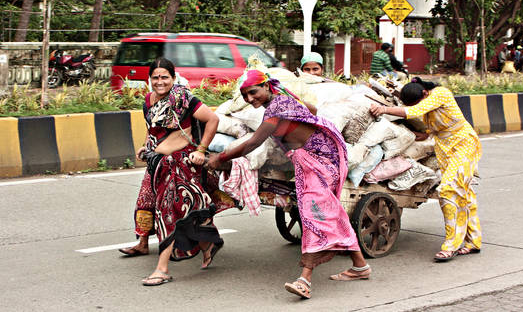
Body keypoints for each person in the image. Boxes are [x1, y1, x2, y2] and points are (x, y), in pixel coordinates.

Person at [206, 69, 371, 299]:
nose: (250, 99)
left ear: (266, 86)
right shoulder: (282, 101)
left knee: (313, 214)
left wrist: (220, 157)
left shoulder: (277, 107)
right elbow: (311, 110)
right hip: (311, 159)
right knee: (331, 211)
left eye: (253, 92)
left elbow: (254, 142)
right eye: (245, 96)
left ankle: (305, 279)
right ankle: (360, 266)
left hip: (319, 161)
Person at [129, 57, 223, 286]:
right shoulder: (149, 100)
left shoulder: (183, 98)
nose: (160, 82)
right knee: (151, 201)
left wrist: (201, 150)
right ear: (149, 79)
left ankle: (162, 269)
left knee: (169, 212)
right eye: (155, 77)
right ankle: (207, 243)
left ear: (173, 78)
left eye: (165, 77)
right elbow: (152, 129)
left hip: (181, 162)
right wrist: (146, 146)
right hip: (158, 162)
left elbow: (213, 119)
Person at [369, 77, 482, 262]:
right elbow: (436, 122)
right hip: (444, 148)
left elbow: (414, 111)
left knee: (448, 190)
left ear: (424, 93)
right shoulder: (427, 99)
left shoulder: (441, 94)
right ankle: (473, 241)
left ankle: (451, 245)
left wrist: (384, 109)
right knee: (464, 192)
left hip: (464, 144)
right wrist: (424, 134)